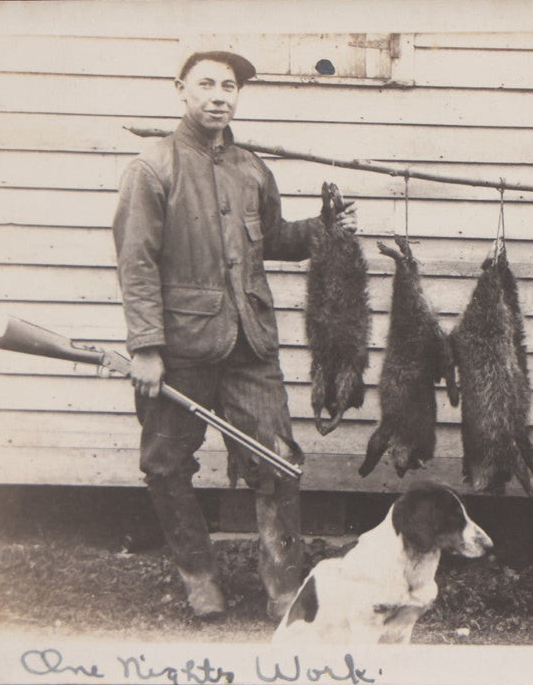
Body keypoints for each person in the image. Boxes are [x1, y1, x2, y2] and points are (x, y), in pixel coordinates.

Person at [113, 48, 357, 619]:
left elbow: (272, 239)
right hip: (179, 349)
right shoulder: (153, 168)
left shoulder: (252, 168)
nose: (219, 96)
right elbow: (136, 263)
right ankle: (199, 576)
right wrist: (146, 347)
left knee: (278, 461)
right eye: (206, 84)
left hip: (251, 345)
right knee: (167, 465)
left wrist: (324, 229)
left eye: (229, 86)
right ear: (181, 90)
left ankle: (284, 589)